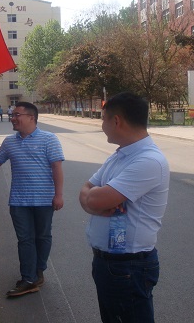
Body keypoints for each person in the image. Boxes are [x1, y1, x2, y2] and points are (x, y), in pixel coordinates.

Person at [78, 92, 169, 323]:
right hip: (110, 263)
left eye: (103, 119)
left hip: (128, 266)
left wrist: (93, 201)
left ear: (116, 121)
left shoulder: (148, 160)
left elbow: (93, 198)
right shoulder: (120, 156)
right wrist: (94, 203)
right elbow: (85, 191)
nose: (102, 126)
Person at [0, 102, 64, 297]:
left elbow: (56, 167)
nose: (12, 118)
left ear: (31, 117)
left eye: (17, 115)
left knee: (43, 237)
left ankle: (38, 270)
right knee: (25, 239)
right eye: (12, 114)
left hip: (44, 200)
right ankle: (28, 278)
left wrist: (58, 195)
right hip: (19, 201)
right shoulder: (9, 142)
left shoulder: (49, 139)